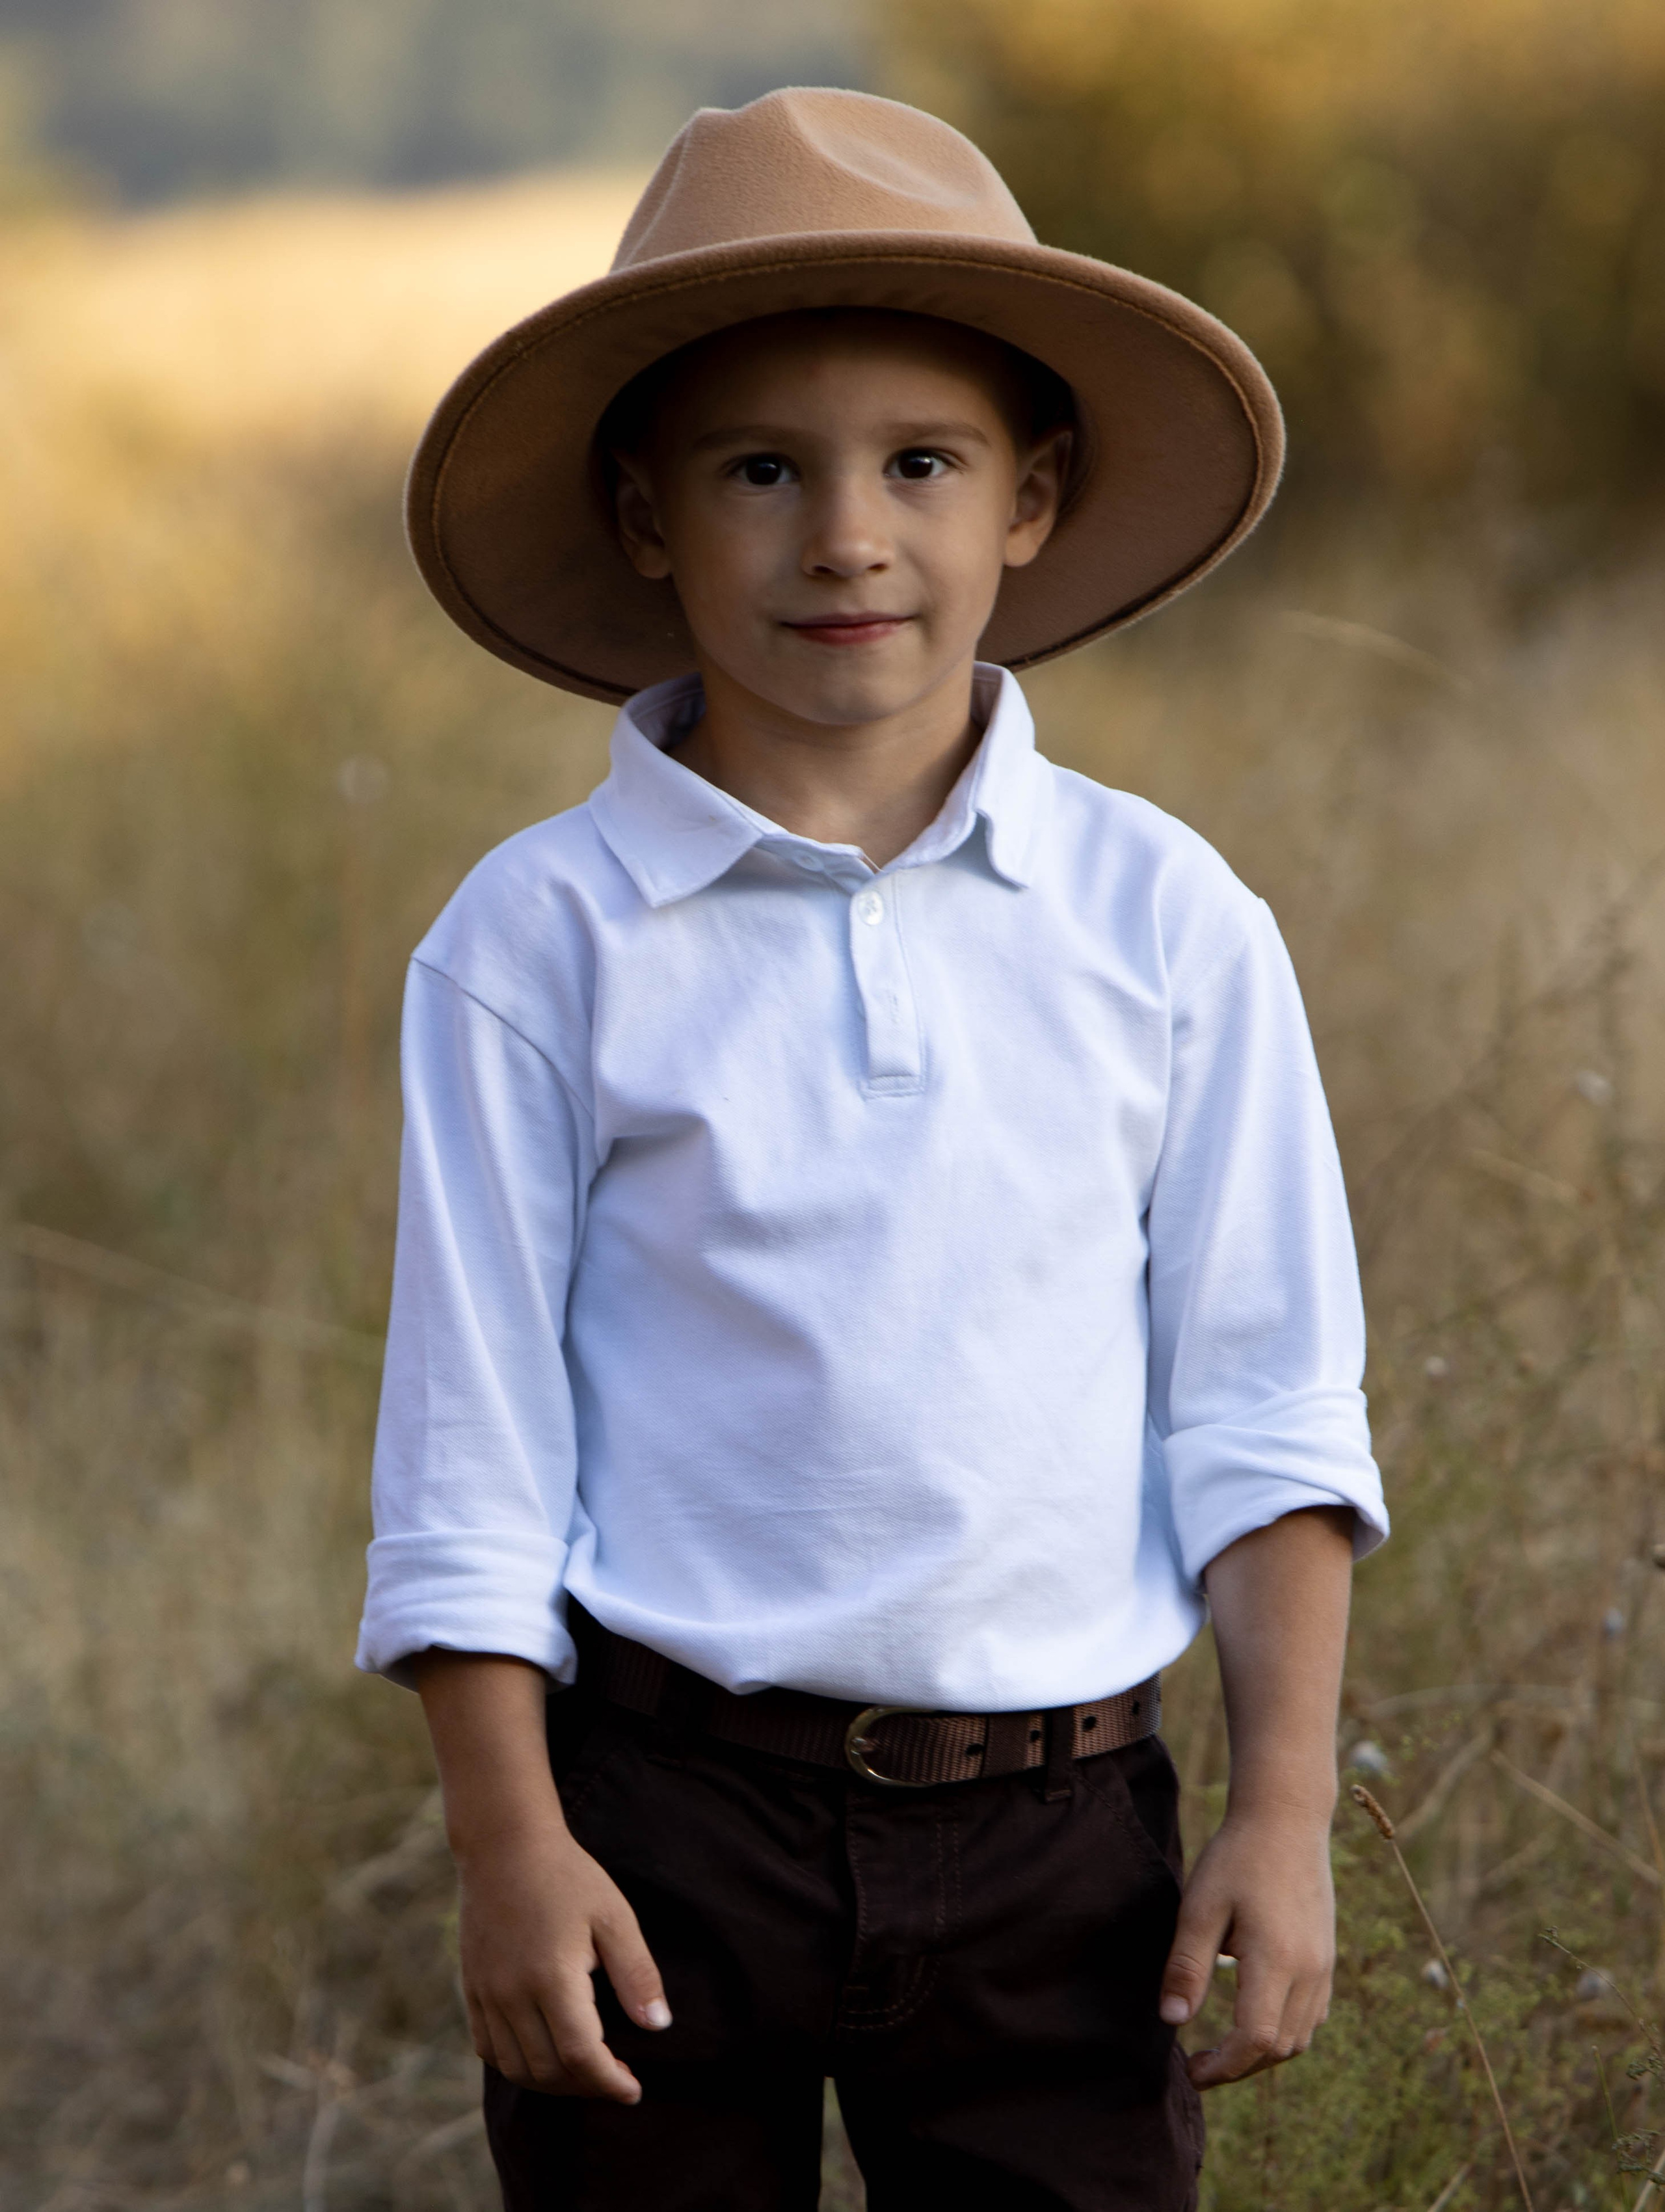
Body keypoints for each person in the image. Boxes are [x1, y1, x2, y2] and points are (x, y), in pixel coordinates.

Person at [357, 86, 1388, 2212]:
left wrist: (1281, 1816)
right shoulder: (534, 944)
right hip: (661, 1818)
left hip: (1063, 1834)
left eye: (921, 462)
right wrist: (509, 1842)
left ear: (1034, 495)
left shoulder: (1167, 921)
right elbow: (471, 1448)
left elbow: (1266, 1408)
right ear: (648, 515)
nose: (848, 536)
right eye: (764, 470)